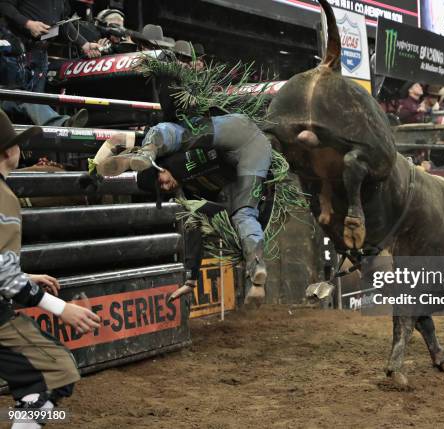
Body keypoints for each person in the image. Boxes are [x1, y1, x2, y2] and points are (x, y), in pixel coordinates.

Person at [94, 114, 272, 307]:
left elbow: (128, 137)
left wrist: (96, 166)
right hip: (252, 156)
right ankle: (257, 273)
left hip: (233, 132)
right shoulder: (188, 195)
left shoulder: (171, 158)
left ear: (160, 169)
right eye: (160, 190)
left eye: (160, 182)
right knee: (243, 213)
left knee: (183, 134)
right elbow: (193, 229)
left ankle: (148, 151)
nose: (164, 187)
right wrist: (190, 279)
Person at [0, 109, 100, 428]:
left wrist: (23, 275)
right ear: (7, 152)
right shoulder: (4, 198)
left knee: (38, 382)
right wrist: (60, 308)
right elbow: (5, 279)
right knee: (56, 372)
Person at [0, 0, 101, 127]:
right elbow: (4, 5)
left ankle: (41, 136)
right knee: (21, 99)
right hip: (13, 50)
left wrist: (84, 44)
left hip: (40, 53)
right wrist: (28, 24)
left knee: (34, 100)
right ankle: (60, 124)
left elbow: (63, 23)